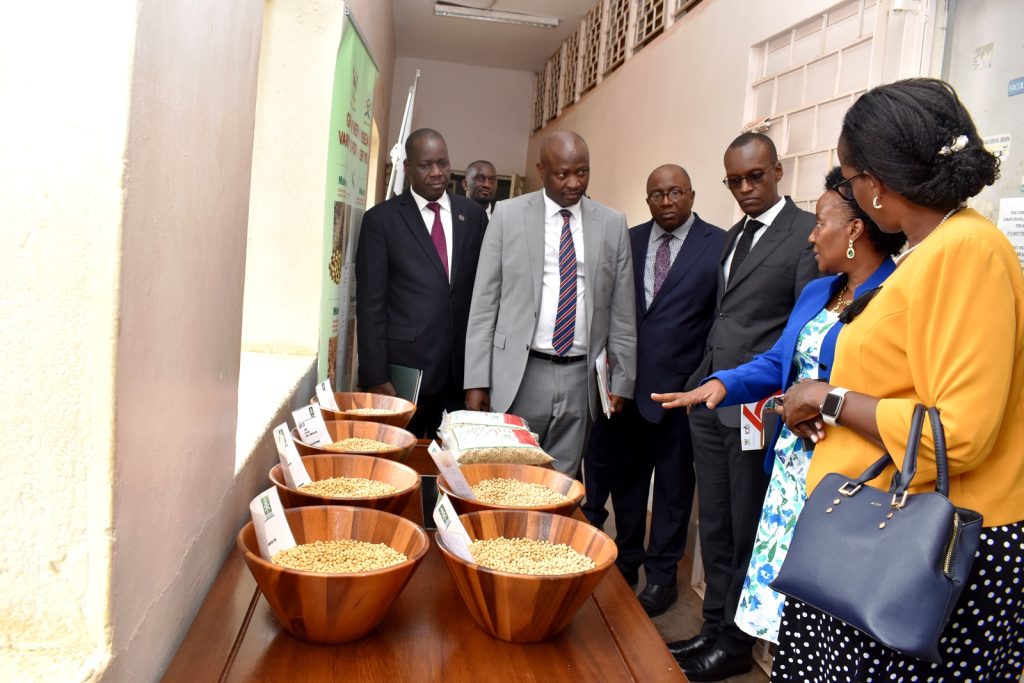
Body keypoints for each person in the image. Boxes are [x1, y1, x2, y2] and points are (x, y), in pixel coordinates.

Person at [769, 78, 1024, 682]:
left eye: (849, 177)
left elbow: (953, 436)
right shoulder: (927, 250)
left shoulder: (966, 253)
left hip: (930, 552)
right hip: (876, 535)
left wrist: (828, 398)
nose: (849, 190)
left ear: (876, 187)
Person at [655, 166, 904, 643]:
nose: (811, 237)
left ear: (854, 230)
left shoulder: (894, 298)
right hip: (793, 466)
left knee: (824, 606)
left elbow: (884, 391)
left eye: (820, 223)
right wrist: (723, 384)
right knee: (784, 597)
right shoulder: (820, 292)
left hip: (846, 477)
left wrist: (818, 402)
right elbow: (779, 360)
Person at [664, 132, 819, 682]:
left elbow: (799, 332)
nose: (746, 188)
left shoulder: (806, 234)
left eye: (755, 176)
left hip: (759, 411)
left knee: (747, 526)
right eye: (734, 181)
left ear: (778, 170)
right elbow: (723, 318)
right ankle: (711, 628)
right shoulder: (733, 238)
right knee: (717, 528)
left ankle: (733, 644)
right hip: (713, 402)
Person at [581, 164, 723, 617]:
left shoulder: (718, 245)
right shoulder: (631, 239)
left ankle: (662, 578)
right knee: (627, 484)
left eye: (675, 192)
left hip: (682, 395)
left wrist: (697, 383)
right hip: (626, 391)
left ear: (693, 195)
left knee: (674, 492)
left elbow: (718, 322)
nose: (666, 201)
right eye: (657, 195)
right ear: (647, 201)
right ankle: (626, 564)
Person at [463, 131, 637, 475]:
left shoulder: (612, 224)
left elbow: (622, 312)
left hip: (580, 376)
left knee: (561, 482)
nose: (574, 183)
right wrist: (476, 379)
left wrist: (623, 379)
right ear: (542, 170)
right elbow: (484, 303)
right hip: (519, 372)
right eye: (563, 174)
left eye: (583, 172)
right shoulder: (507, 216)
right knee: (508, 477)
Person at [355, 128, 488, 438]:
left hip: (460, 375)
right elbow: (371, 304)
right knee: (401, 463)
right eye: (426, 165)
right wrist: (376, 375)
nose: (437, 173)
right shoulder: (382, 221)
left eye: (443, 163)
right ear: (408, 168)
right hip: (405, 376)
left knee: (455, 468)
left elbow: (483, 297)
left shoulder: (473, 216)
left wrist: (480, 376)